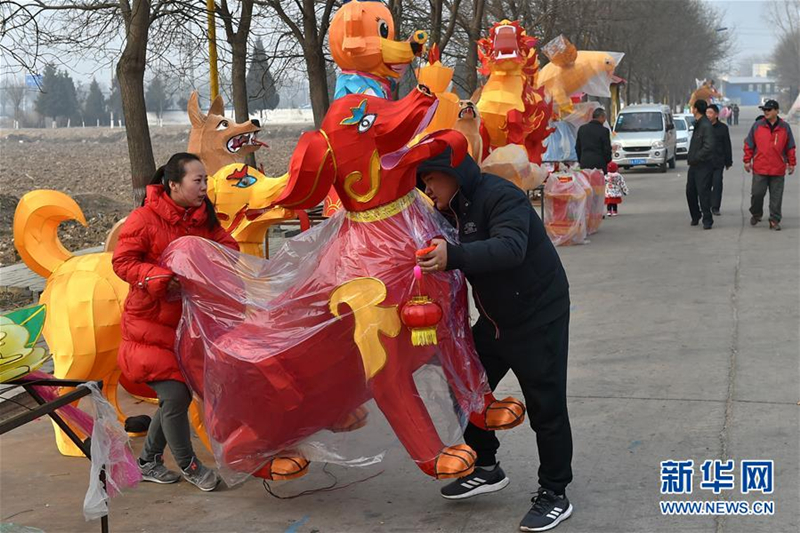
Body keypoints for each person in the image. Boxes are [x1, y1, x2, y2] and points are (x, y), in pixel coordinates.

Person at [416, 149, 574, 532]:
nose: (427, 188)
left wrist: (453, 255)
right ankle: (486, 466)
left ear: (451, 173)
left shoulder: (502, 197)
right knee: (468, 386)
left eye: (431, 179)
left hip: (538, 316)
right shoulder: (449, 209)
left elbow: (510, 247)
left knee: (545, 405)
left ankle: (555, 492)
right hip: (494, 319)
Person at [112, 152, 239, 491]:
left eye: (205, 180)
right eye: (197, 181)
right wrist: (157, 277)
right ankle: (189, 464)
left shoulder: (202, 218)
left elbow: (228, 248)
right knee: (177, 395)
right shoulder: (143, 219)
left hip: (190, 326)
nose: (204, 187)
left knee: (175, 398)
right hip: (149, 327)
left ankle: (148, 460)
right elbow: (123, 262)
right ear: (173, 184)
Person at [743, 99, 796, 230]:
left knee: (776, 197)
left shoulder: (785, 127)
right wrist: (747, 160)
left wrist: (791, 163)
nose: (766, 112)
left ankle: (774, 220)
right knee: (757, 194)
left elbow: (790, 147)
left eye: (769, 110)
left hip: (777, 168)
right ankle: (756, 213)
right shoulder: (757, 126)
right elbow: (749, 144)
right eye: (764, 110)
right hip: (760, 167)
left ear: (777, 111)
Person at [686, 99, 716, 229]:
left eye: (693, 107)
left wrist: (697, 157)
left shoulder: (705, 125)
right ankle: (695, 215)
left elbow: (709, 146)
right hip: (694, 165)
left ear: (696, 109)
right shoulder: (698, 123)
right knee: (690, 192)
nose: (692, 109)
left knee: (703, 192)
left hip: (703, 165)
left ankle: (707, 219)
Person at [706, 104, 733, 216]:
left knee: (717, 184)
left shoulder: (723, 128)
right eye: (706, 113)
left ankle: (715, 207)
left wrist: (728, 161)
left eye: (710, 113)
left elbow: (727, 145)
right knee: (705, 185)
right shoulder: (702, 127)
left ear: (716, 115)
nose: (708, 115)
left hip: (718, 162)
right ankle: (706, 206)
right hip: (704, 162)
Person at [575, 107, 612, 173]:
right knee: (599, 183)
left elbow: (577, 147)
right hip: (599, 163)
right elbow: (607, 149)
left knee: (586, 182)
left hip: (585, 162)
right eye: (604, 118)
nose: (605, 120)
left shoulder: (582, 129)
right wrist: (607, 160)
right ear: (601, 117)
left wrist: (581, 160)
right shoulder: (604, 131)